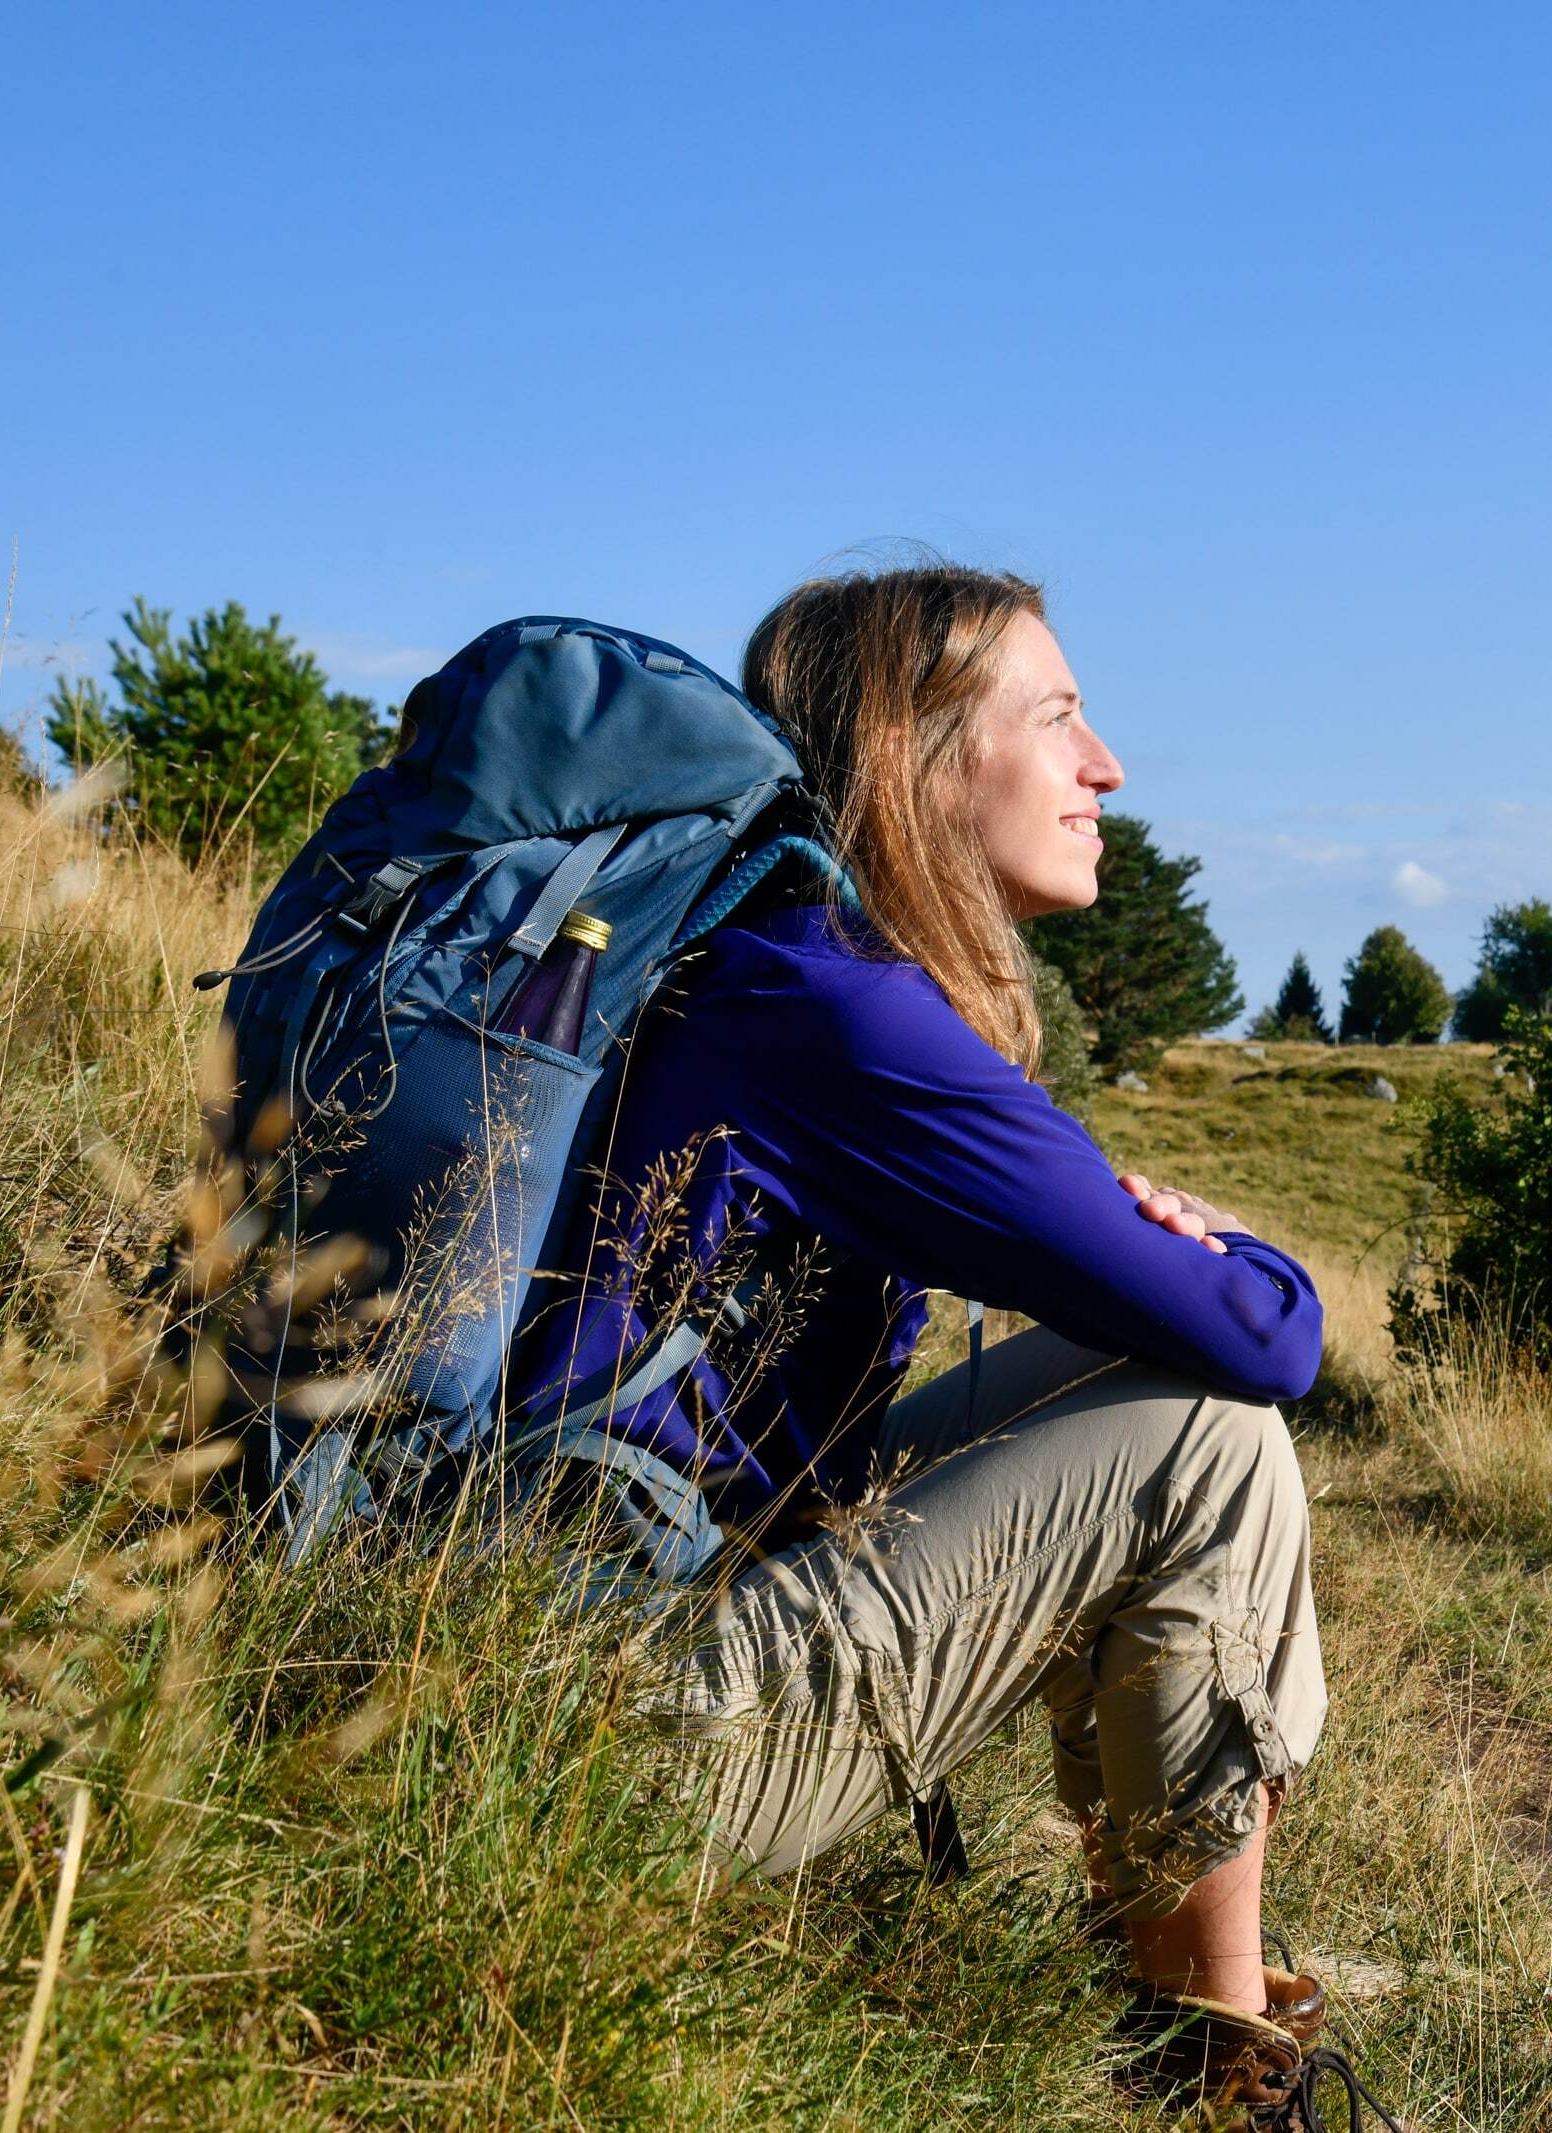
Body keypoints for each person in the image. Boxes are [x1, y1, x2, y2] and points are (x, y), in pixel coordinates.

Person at [512, 564, 1386, 2124]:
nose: (1106, 766)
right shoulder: (841, 1010)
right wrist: (1246, 1256)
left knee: (1155, 1400)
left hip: (562, 1659)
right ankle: (1216, 2072)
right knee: (1210, 1434)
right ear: (916, 760)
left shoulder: (770, 960)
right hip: (608, 1746)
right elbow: (1267, 1338)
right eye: (1057, 718)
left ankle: (1196, 2011)